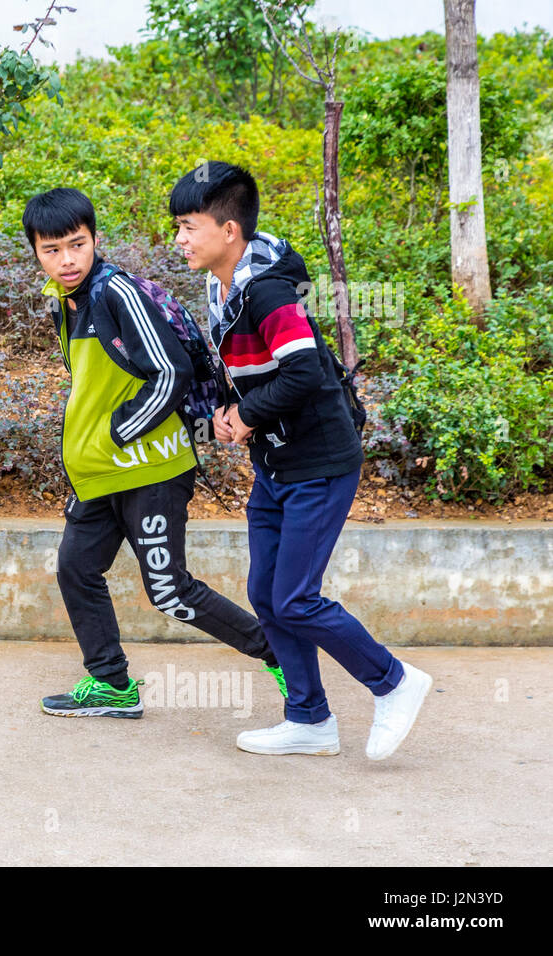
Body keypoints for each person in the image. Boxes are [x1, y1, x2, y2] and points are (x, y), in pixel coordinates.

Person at [168, 160, 431, 759]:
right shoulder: (223, 285)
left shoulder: (267, 290)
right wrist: (227, 409)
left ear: (228, 231)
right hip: (277, 465)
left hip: (320, 461)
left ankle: (394, 682)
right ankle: (310, 719)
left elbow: (305, 370)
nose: (179, 240)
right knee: (266, 591)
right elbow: (246, 367)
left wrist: (248, 415)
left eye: (188, 227)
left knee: (294, 598)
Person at [23, 187, 287, 720]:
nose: (66, 260)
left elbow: (171, 372)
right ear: (36, 253)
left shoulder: (117, 293)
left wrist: (121, 433)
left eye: (76, 245)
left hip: (151, 470)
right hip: (100, 475)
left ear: (96, 239)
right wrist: (93, 449)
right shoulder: (66, 303)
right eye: (52, 250)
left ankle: (281, 654)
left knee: (171, 592)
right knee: (77, 569)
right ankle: (112, 685)